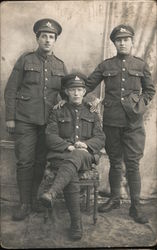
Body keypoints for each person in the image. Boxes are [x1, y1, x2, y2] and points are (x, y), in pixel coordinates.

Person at [85, 24, 156, 224]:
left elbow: (149, 91)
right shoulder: (106, 65)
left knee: (132, 164)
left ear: (132, 42)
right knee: (115, 162)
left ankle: (135, 206)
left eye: (126, 39)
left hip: (133, 124)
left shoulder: (141, 65)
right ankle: (115, 199)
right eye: (119, 40)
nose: (123, 43)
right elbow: (87, 86)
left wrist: (137, 105)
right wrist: (90, 100)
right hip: (111, 122)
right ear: (114, 43)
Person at [4, 18, 67, 221]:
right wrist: (10, 118)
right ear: (37, 38)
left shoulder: (60, 65)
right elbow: (11, 89)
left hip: (47, 124)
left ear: (55, 40)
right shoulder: (25, 60)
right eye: (44, 36)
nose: (48, 40)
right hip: (24, 120)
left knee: (40, 162)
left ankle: (33, 200)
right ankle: (24, 204)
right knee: (25, 162)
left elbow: (69, 93)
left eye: (51, 37)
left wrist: (91, 101)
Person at [39, 73, 105, 240]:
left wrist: (87, 145)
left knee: (76, 156)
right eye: (73, 90)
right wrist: (67, 146)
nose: (76, 93)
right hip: (62, 154)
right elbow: (50, 136)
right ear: (66, 92)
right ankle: (76, 225)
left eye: (80, 90)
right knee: (71, 172)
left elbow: (101, 138)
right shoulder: (57, 111)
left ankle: (52, 192)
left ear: (84, 92)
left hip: (85, 155)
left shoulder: (92, 112)